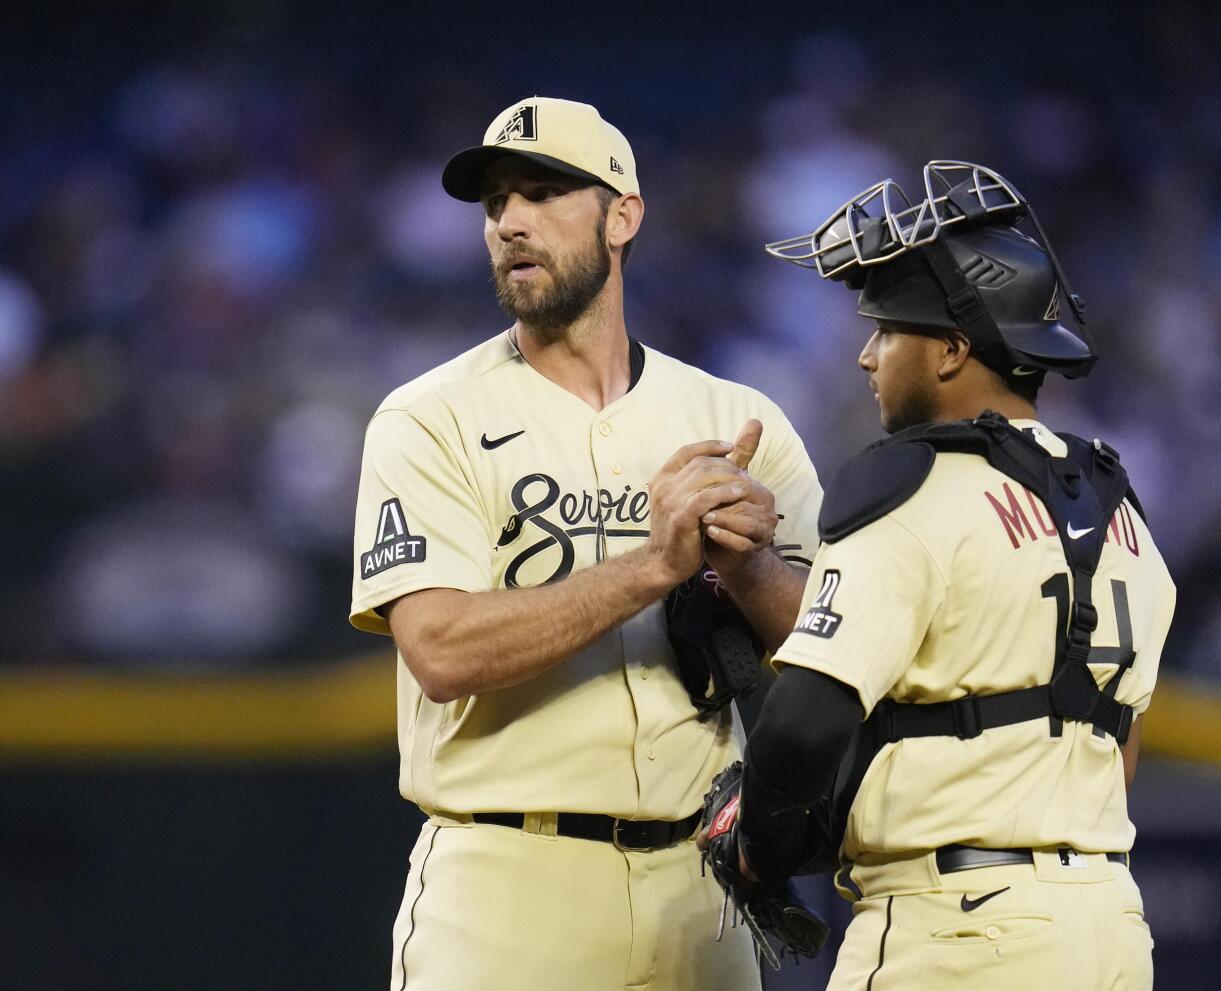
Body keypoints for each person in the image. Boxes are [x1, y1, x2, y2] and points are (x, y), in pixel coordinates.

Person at [348, 96, 822, 991]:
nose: (510, 223)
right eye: (495, 203)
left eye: (544, 192)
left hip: (701, 890)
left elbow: (835, 646)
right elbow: (441, 649)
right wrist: (653, 566)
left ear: (623, 215)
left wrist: (748, 568)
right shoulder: (429, 418)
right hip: (504, 883)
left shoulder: (737, 420)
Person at [702, 162, 1177, 990]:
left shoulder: (910, 484)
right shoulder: (1120, 508)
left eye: (887, 330)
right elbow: (1117, 750)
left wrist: (758, 848)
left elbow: (805, 724)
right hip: (1107, 923)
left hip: (956, 929)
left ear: (953, 349)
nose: (865, 356)